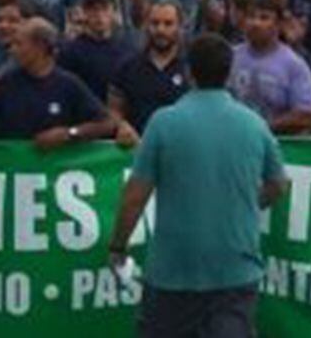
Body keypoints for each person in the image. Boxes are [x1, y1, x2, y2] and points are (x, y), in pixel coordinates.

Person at [108, 33, 288, 338]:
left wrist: (117, 246)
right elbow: (279, 184)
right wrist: (246, 202)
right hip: (235, 269)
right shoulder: (254, 123)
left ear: (189, 71)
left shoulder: (163, 122)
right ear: (229, 72)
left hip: (173, 272)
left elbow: (134, 197)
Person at [0, 19, 115, 147]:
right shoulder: (7, 82)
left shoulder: (68, 85)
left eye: (19, 44)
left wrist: (70, 133)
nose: (12, 50)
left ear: (40, 47)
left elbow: (107, 123)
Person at [228, 0, 311, 135]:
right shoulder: (230, 56)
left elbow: (306, 115)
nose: (255, 23)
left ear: (279, 24)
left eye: (264, 18)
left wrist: (264, 126)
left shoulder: (294, 65)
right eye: (251, 17)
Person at [109, 0, 189, 146]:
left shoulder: (192, 68)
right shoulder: (127, 66)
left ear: (180, 27)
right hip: (137, 152)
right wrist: (121, 126)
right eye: (155, 23)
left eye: (168, 23)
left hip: (182, 151)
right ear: (146, 25)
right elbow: (113, 109)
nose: (160, 30)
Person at [59, 0, 137, 98]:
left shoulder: (127, 50)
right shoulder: (70, 52)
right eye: (94, 10)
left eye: (105, 9)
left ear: (114, 12)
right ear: (85, 13)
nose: (99, 15)